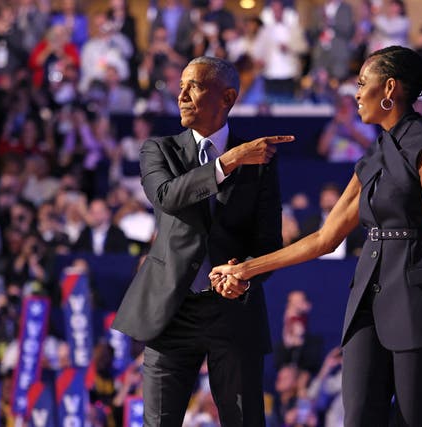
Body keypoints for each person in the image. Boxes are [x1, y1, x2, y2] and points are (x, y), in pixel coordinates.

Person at [211, 46, 422, 425]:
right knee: (356, 417)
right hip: (367, 302)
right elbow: (325, 237)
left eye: (361, 84)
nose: (354, 94)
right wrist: (247, 269)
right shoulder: (374, 154)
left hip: (421, 304)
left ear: (389, 88)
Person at [111, 56, 294, 426]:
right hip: (170, 311)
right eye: (180, 86)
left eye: (193, 86)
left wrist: (244, 277)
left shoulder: (261, 160)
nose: (181, 95)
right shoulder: (158, 149)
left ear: (226, 97)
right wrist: (228, 162)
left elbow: (268, 241)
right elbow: (166, 195)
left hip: (233, 309)